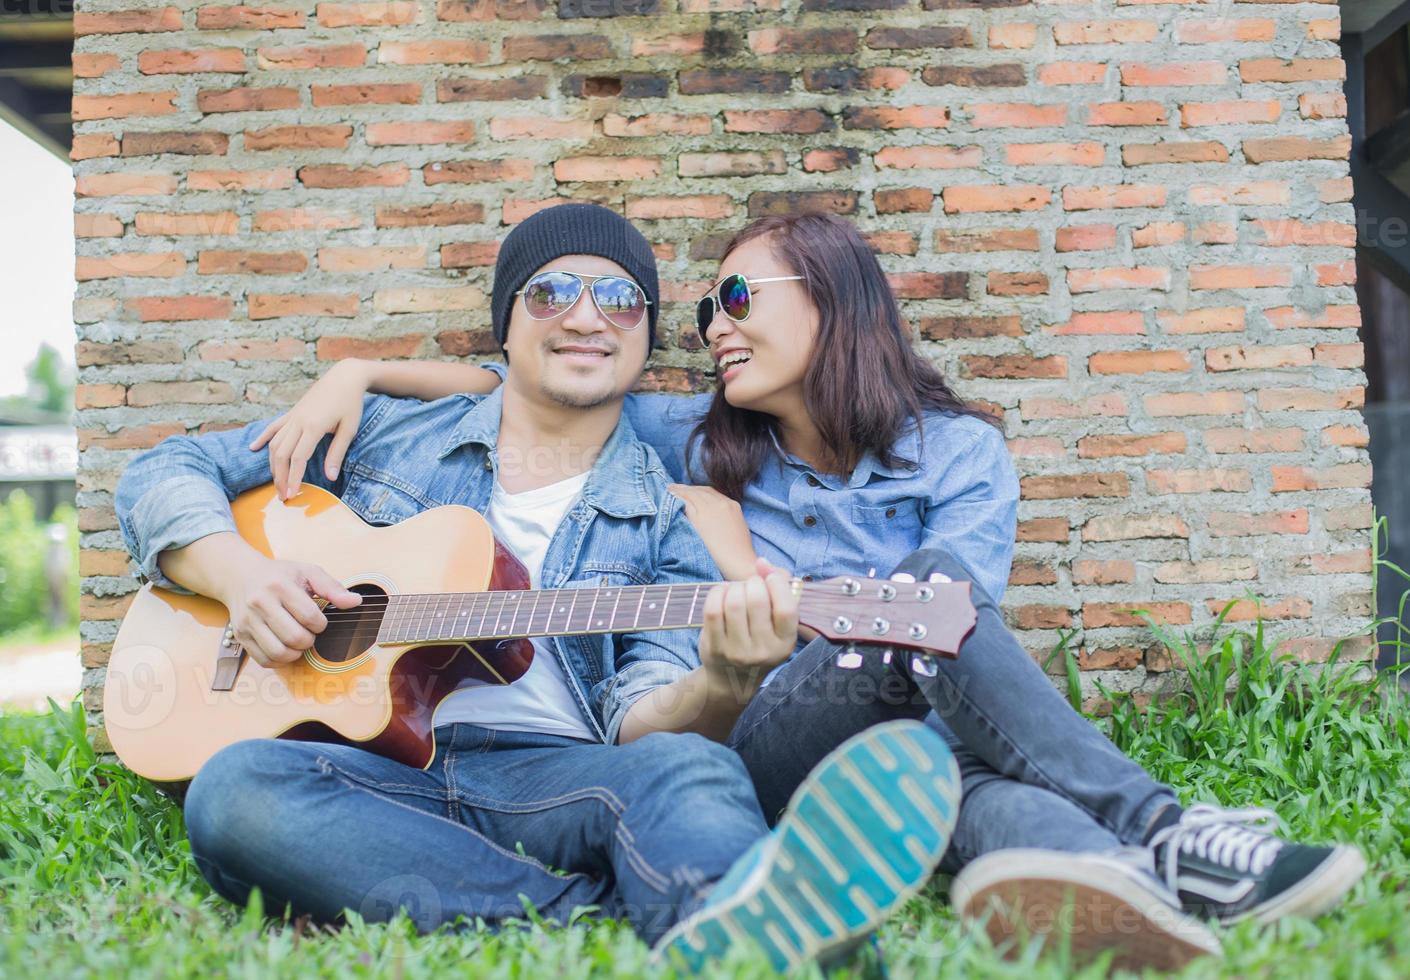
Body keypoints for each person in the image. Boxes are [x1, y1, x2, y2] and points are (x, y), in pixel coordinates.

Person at [267, 210, 1369, 971]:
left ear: (835, 303)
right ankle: (1167, 830)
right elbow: (528, 379)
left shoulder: (962, 455)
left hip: (914, 740)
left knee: (947, 729)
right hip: (765, 730)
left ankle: (1115, 877)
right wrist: (361, 371)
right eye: (704, 312)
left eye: (739, 296)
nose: (715, 329)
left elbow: (956, 644)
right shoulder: (686, 434)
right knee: (922, 604)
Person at [112, 203, 963, 973]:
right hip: (369, 777)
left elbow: (642, 717)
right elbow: (163, 470)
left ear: (644, 336)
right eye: (553, 291)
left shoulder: (666, 522)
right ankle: (605, 915)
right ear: (507, 328)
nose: (588, 317)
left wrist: (726, 682)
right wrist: (245, 576)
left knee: (686, 769)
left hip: (555, 780)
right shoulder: (379, 432)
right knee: (235, 792)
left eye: (623, 301)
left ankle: (765, 940)